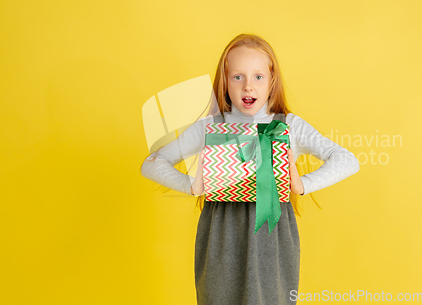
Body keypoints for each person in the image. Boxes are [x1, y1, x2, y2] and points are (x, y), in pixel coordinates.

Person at [140, 33, 360, 305]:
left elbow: (347, 159)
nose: (248, 86)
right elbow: (150, 164)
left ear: (271, 81)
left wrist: (301, 183)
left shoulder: (287, 125)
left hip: (272, 236)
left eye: (258, 77)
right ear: (225, 81)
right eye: (237, 77)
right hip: (222, 236)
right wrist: (192, 185)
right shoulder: (210, 127)